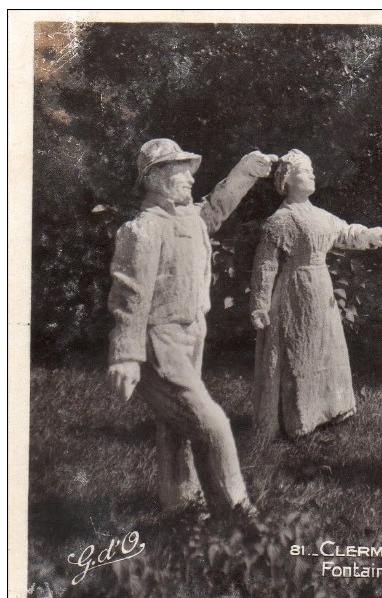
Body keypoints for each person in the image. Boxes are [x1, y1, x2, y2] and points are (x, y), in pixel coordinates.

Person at [107, 138, 277, 515]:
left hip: (190, 332)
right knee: (211, 421)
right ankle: (236, 510)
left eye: (188, 171)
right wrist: (126, 355)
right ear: (155, 179)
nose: (189, 178)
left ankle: (182, 504)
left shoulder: (189, 219)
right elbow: (130, 294)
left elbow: (218, 204)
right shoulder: (144, 229)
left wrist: (247, 169)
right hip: (158, 338)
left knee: (177, 423)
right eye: (179, 172)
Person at [249, 149, 382, 444]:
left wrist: (368, 235)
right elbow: (266, 264)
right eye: (305, 171)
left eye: (312, 170)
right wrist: (260, 304)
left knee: (324, 344)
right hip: (294, 291)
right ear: (287, 180)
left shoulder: (320, 215)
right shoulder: (279, 221)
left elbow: (344, 233)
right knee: (299, 347)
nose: (312, 175)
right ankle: (300, 416)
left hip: (320, 287)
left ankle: (330, 408)